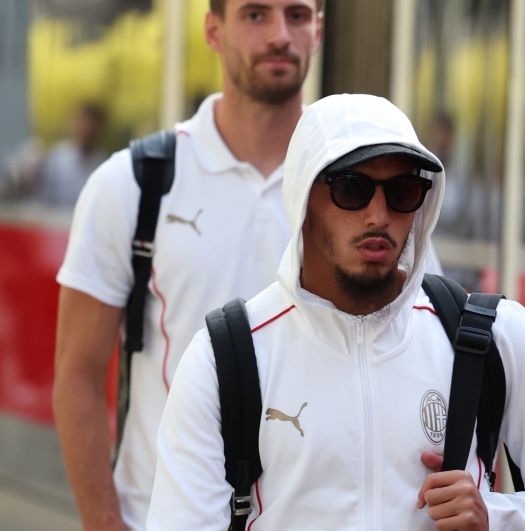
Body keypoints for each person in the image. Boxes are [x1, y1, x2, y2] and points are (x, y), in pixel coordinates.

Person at [147, 94, 525, 530]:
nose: (378, 214)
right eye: (352, 188)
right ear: (304, 197)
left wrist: (497, 516)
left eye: (402, 190)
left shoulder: (492, 336)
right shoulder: (227, 355)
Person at [52, 1, 325, 529]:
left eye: (296, 14)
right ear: (212, 29)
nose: (279, 35)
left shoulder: (362, 189)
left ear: (317, 29)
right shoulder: (132, 185)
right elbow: (76, 374)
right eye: (255, 15)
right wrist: (106, 523)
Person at [36, 103, 108, 207]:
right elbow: (43, 199)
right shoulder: (56, 158)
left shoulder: (102, 163)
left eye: (92, 126)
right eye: (84, 124)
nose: (88, 130)